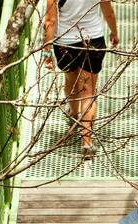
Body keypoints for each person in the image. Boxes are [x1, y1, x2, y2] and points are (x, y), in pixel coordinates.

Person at [43, 0, 119, 161]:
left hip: (64, 42)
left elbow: (50, 20)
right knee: (88, 92)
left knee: (70, 80)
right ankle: (87, 142)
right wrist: (114, 32)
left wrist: (46, 51)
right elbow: (108, 11)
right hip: (92, 39)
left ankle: (74, 114)